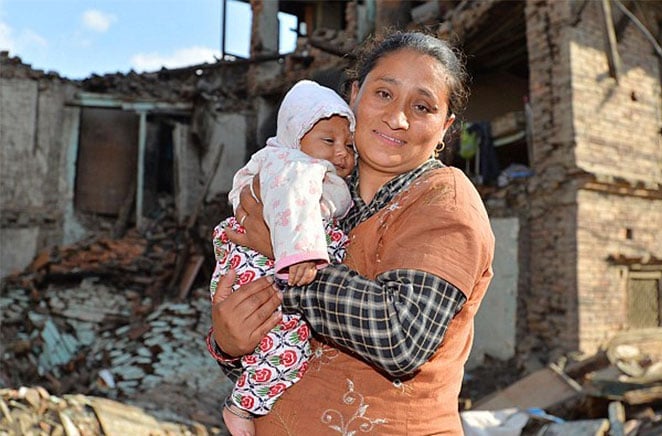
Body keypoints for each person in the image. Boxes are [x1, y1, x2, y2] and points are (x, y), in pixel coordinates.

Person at [208, 30, 495, 434]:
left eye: (422, 107)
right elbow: (276, 343)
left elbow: (400, 338)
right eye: (383, 94)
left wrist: (289, 259)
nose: (397, 118)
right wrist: (229, 343)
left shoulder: (444, 202)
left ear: (445, 128)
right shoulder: (316, 194)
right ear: (354, 96)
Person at [209, 79, 356, 435]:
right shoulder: (294, 168)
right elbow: (294, 209)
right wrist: (298, 256)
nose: (342, 153)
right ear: (295, 136)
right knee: (287, 349)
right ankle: (243, 406)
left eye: (349, 145)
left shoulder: (305, 168)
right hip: (264, 269)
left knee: (273, 342)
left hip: (268, 264)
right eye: (329, 141)